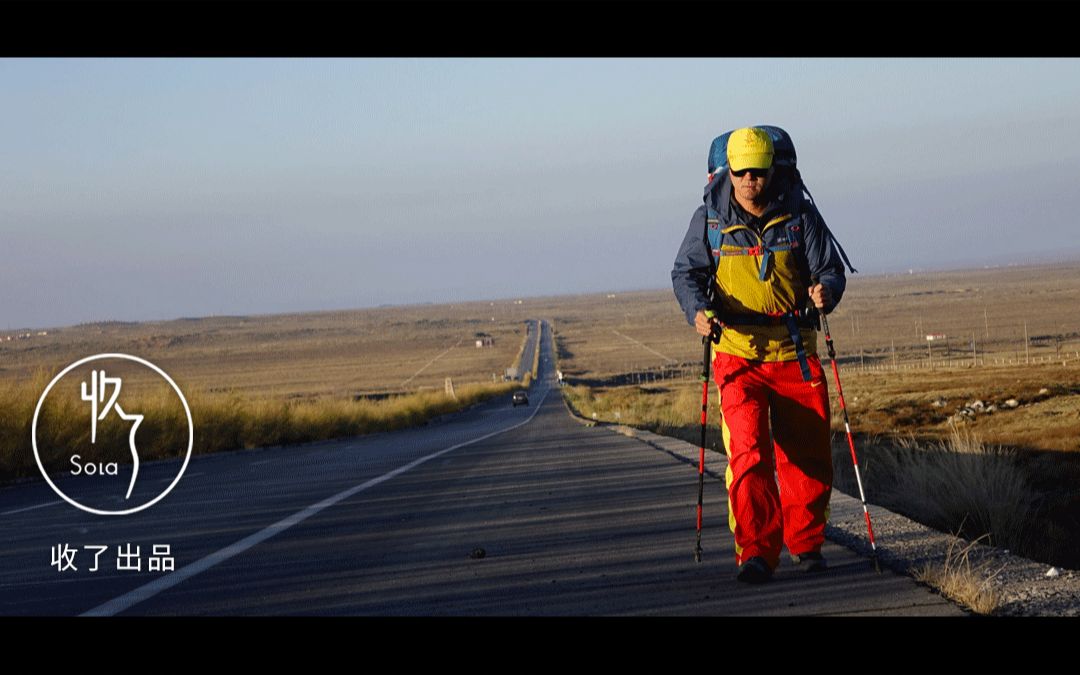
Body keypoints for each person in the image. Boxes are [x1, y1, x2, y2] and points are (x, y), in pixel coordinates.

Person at [671, 126, 847, 584]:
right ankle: (755, 552)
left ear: (773, 168)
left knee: (806, 454)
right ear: (729, 170)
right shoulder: (709, 218)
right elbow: (685, 273)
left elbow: (829, 269)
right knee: (748, 455)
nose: (751, 179)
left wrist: (825, 291)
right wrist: (697, 312)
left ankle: (806, 545)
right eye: (742, 171)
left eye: (759, 171)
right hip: (736, 354)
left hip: (794, 352)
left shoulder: (800, 215)